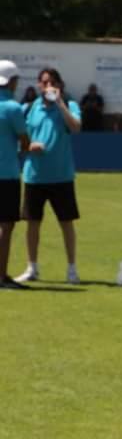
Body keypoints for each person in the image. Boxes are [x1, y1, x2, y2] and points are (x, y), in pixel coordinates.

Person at [13, 67, 82, 285]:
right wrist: (29, 145)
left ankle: (72, 269)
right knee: (32, 223)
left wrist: (60, 104)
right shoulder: (29, 108)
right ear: (38, 85)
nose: (48, 86)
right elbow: (16, 141)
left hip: (61, 176)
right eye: (44, 82)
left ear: (59, 85)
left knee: (66, 223)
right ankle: (32, 267)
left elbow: (76, 127)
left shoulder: (69, 105)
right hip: (34, 176)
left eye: (52, 82)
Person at [0, 60, 30, 288]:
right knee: (6, 226)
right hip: (7, 174)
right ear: (12, 82)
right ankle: (1, 276)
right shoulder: (13, 108)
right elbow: (24, 141)